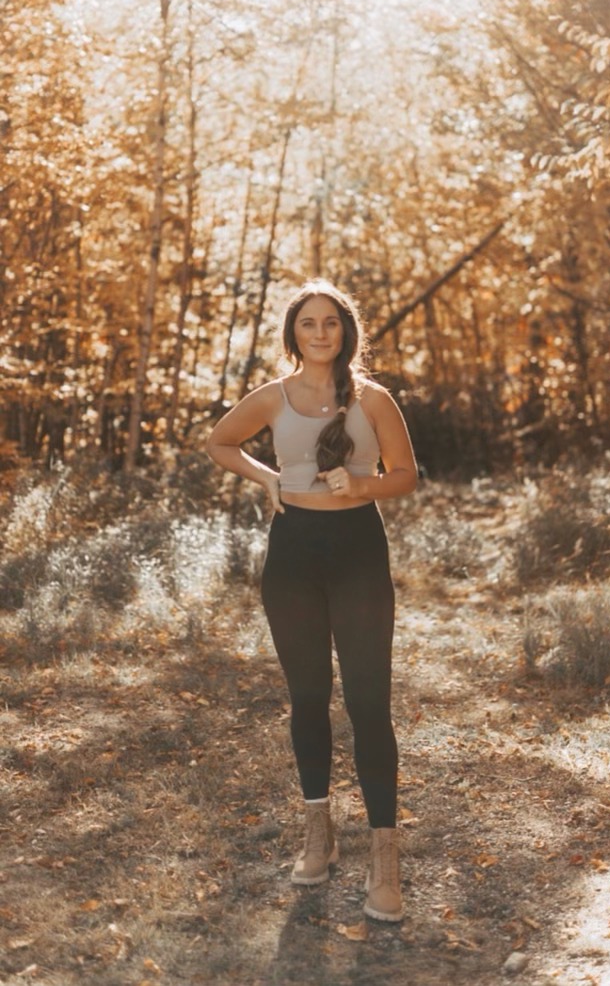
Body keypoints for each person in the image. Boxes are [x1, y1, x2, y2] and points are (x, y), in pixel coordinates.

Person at [206, 279, 417, 922]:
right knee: (306, 698)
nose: (320, 333)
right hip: (293, 554)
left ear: (346, 331)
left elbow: (406, 476)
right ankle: (318, 834)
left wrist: (359, 483)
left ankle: (384, 857)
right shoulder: (271, 398)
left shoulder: (374, 399)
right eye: (308, 324)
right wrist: (267, 477)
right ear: (293, 333)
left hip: (357, 551)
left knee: (367, 701)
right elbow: (219, 442)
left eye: (331, 323)